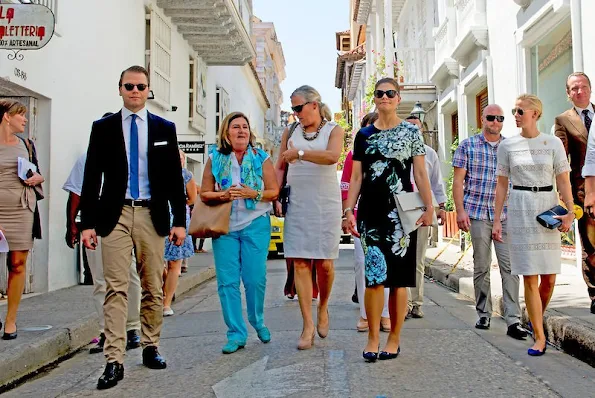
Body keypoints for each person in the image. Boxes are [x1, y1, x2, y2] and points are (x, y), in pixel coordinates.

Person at [79, 65, 187, 390]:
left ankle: (151, 345)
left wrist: (180, 221)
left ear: (148, 90)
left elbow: (172, 180)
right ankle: (114, 360)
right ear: (120, 89)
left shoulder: (164, 128)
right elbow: (91, 177)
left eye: (141, 86)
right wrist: (86, 223)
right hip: (115, 215)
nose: (135, 91)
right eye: (129, 86)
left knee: (152, 285)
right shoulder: (103, 128)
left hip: (152, 214)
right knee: (115, 288)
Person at [345, 77, 434, 362]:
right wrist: (349, 211)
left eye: (390, 93)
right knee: (373, 278)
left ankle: (394, 338)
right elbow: (356, 176)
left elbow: (420, 173)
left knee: (398, 280)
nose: (384, 97)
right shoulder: (363, 135)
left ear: (398, 97)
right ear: (375, 98)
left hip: (401, 212)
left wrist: (429, 207)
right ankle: (373, 337)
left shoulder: (410, 132)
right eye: (380, 93)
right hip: (370, 211)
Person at [492, 94, 574, 356]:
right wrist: (496, 219)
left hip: (548, 206)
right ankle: (539, 336)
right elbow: (502, 185)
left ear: (535, 114)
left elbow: (563, 180)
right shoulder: (507, 146)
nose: (515, 115)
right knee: (529, 274)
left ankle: (533, 317)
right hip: (521, 207)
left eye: (520, 111)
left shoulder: (553, 144)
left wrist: (570, 212)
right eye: (514, 110)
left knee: (549, 277)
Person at [63, 112, 142, 354]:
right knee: (100, 280)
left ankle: (132, 328)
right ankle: (107, 330)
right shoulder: (87, 158)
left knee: (128, 275)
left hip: (123, 219)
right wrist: (72, 225)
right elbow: (77, 194)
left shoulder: (134, 156)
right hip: (96, 221)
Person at [201, 112, 278, 354]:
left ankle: (257, 320)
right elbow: (204, 193)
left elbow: (273, 191)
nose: (241, 131)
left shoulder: (261, 157)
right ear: (226, 133)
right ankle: (236, 332)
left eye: (245, 127)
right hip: (224, 226)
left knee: (255, 279)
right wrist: (223, 195)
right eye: (236, 127)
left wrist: (252, 194)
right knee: (227, 283)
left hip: (255, 223)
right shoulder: (215, 158)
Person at [274, 85, 344, 350]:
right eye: (293, 109)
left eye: (298, 108)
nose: (295, 113)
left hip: (325, 203)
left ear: (314, 104)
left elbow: (332, 157)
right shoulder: (290, 131)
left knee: (324, 263)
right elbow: (281, 165)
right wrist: (276, 195)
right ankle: (307, 325)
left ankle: (323, 307)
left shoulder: (333, 130)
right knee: (301, 263)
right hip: (298, 203)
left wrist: (300, 154)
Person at [452, 104, 527, 340]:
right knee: (482, 265)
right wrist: (460, 211)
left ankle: (513, 319)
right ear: (482, 119)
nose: (496, 122)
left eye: (500, 118)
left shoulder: (510, 147)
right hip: (476, 212)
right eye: (491, 118)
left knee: (510, 266)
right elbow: (457, 182)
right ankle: (483, 312)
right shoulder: (467, 145)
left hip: (504, 215)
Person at [341, 112, 391, 332]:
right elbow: (346, 185)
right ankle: (365, 314)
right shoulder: (353, 155)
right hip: (363, 216)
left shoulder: (393, 152)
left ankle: (386, 314)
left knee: (388, 265)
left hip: (389, 216)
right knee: (363, 265)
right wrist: (347, 213)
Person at [0, 99, 44, 340]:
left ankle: (11, 320)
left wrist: (38, 178)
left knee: (17, 264)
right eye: (20, 115)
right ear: (7, 116)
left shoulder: (26, 144)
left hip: (21, 209)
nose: (25, 120)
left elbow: (37, 172)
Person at [555, 72, 595, 314]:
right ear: (568, 93)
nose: (579, 91)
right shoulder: (563, 120)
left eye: (583, 87)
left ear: (590, 89)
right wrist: (565, 195)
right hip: (583, 193)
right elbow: (562, 160)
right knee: (591, 246)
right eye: (574, 88)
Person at [405, 115, 447, 319]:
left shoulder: (429, 154)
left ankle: (416, 302)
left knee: (418, 259)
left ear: (421, 131)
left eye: (416, 127)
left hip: (422, 207)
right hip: (401, 208)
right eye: (409, 126)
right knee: (402, 257)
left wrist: (441, 207)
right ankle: (403, 303)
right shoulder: (398, 152)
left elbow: (436, 182)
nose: (413, 130)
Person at [162, 149, 197, 316]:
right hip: (158, 218)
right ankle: (163, 291)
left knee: (174, 262)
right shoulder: (158, 171)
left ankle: (166, 302)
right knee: (157, 262)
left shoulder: (186, 175)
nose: (179, 160)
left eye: (181, 157)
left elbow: (192, 198)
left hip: (178, 219)